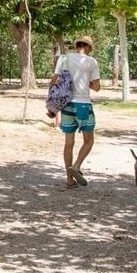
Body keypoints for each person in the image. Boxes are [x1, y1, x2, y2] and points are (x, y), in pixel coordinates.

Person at [53, 36, 101, 189]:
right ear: (88, 48)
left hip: (67, 105)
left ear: (76, 46)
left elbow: (54, 80)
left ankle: (69, 179)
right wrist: (85, 80)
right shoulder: (91, 62)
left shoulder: (63, 59)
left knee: (69, 143)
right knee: (89, 140)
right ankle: (77, 165)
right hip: (83, 106)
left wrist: (51, 106)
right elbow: (97, 87)